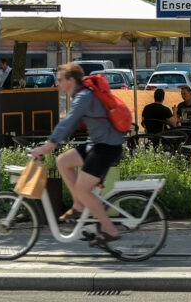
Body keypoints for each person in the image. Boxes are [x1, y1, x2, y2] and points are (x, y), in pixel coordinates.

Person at [30, 63, 123, 246]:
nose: (58, 84)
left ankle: (110, 230)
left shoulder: (83, 97)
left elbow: (68, 122)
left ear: (71, 80)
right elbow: (71, 123)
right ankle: (79, 205)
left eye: (60, 80)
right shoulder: (82, 96)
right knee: (63, 161)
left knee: (83, 189)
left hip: (106, 146)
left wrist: (49, 144)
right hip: (96, 143)